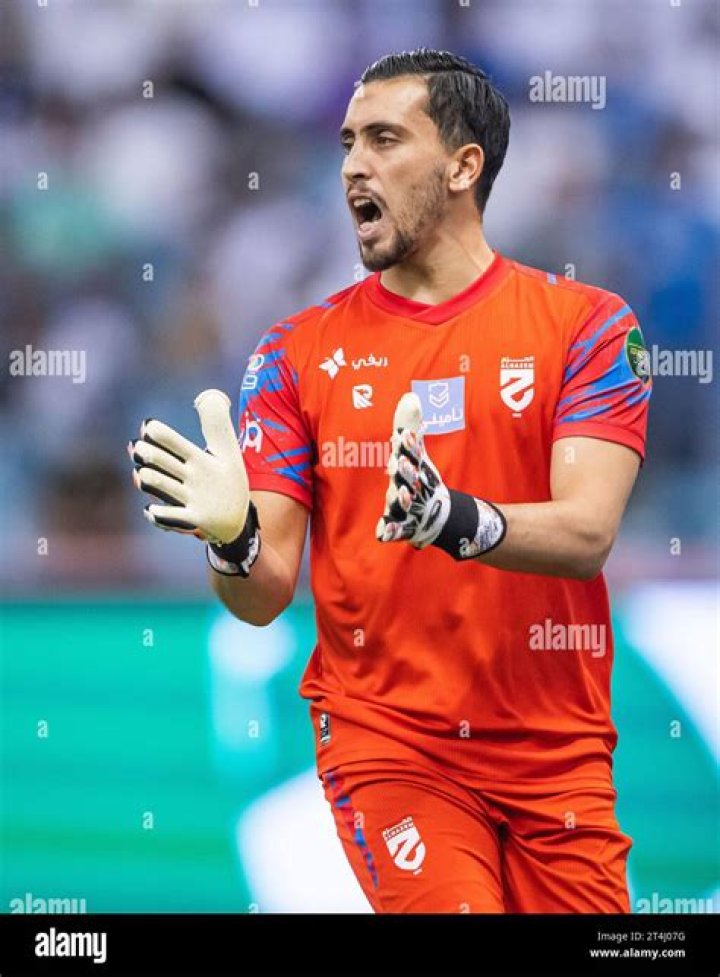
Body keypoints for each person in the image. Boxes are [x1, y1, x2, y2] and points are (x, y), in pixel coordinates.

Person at [128, 49, 652, 913]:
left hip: (559, 752)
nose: (352, 166)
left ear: (463, 166)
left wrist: (451, 518)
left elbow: (587, 531)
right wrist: (233, 539)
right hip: (390, 742)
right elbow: (262, 594)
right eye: (346, 143)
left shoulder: (586, 327)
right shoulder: (294, 353)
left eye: (383, 139)